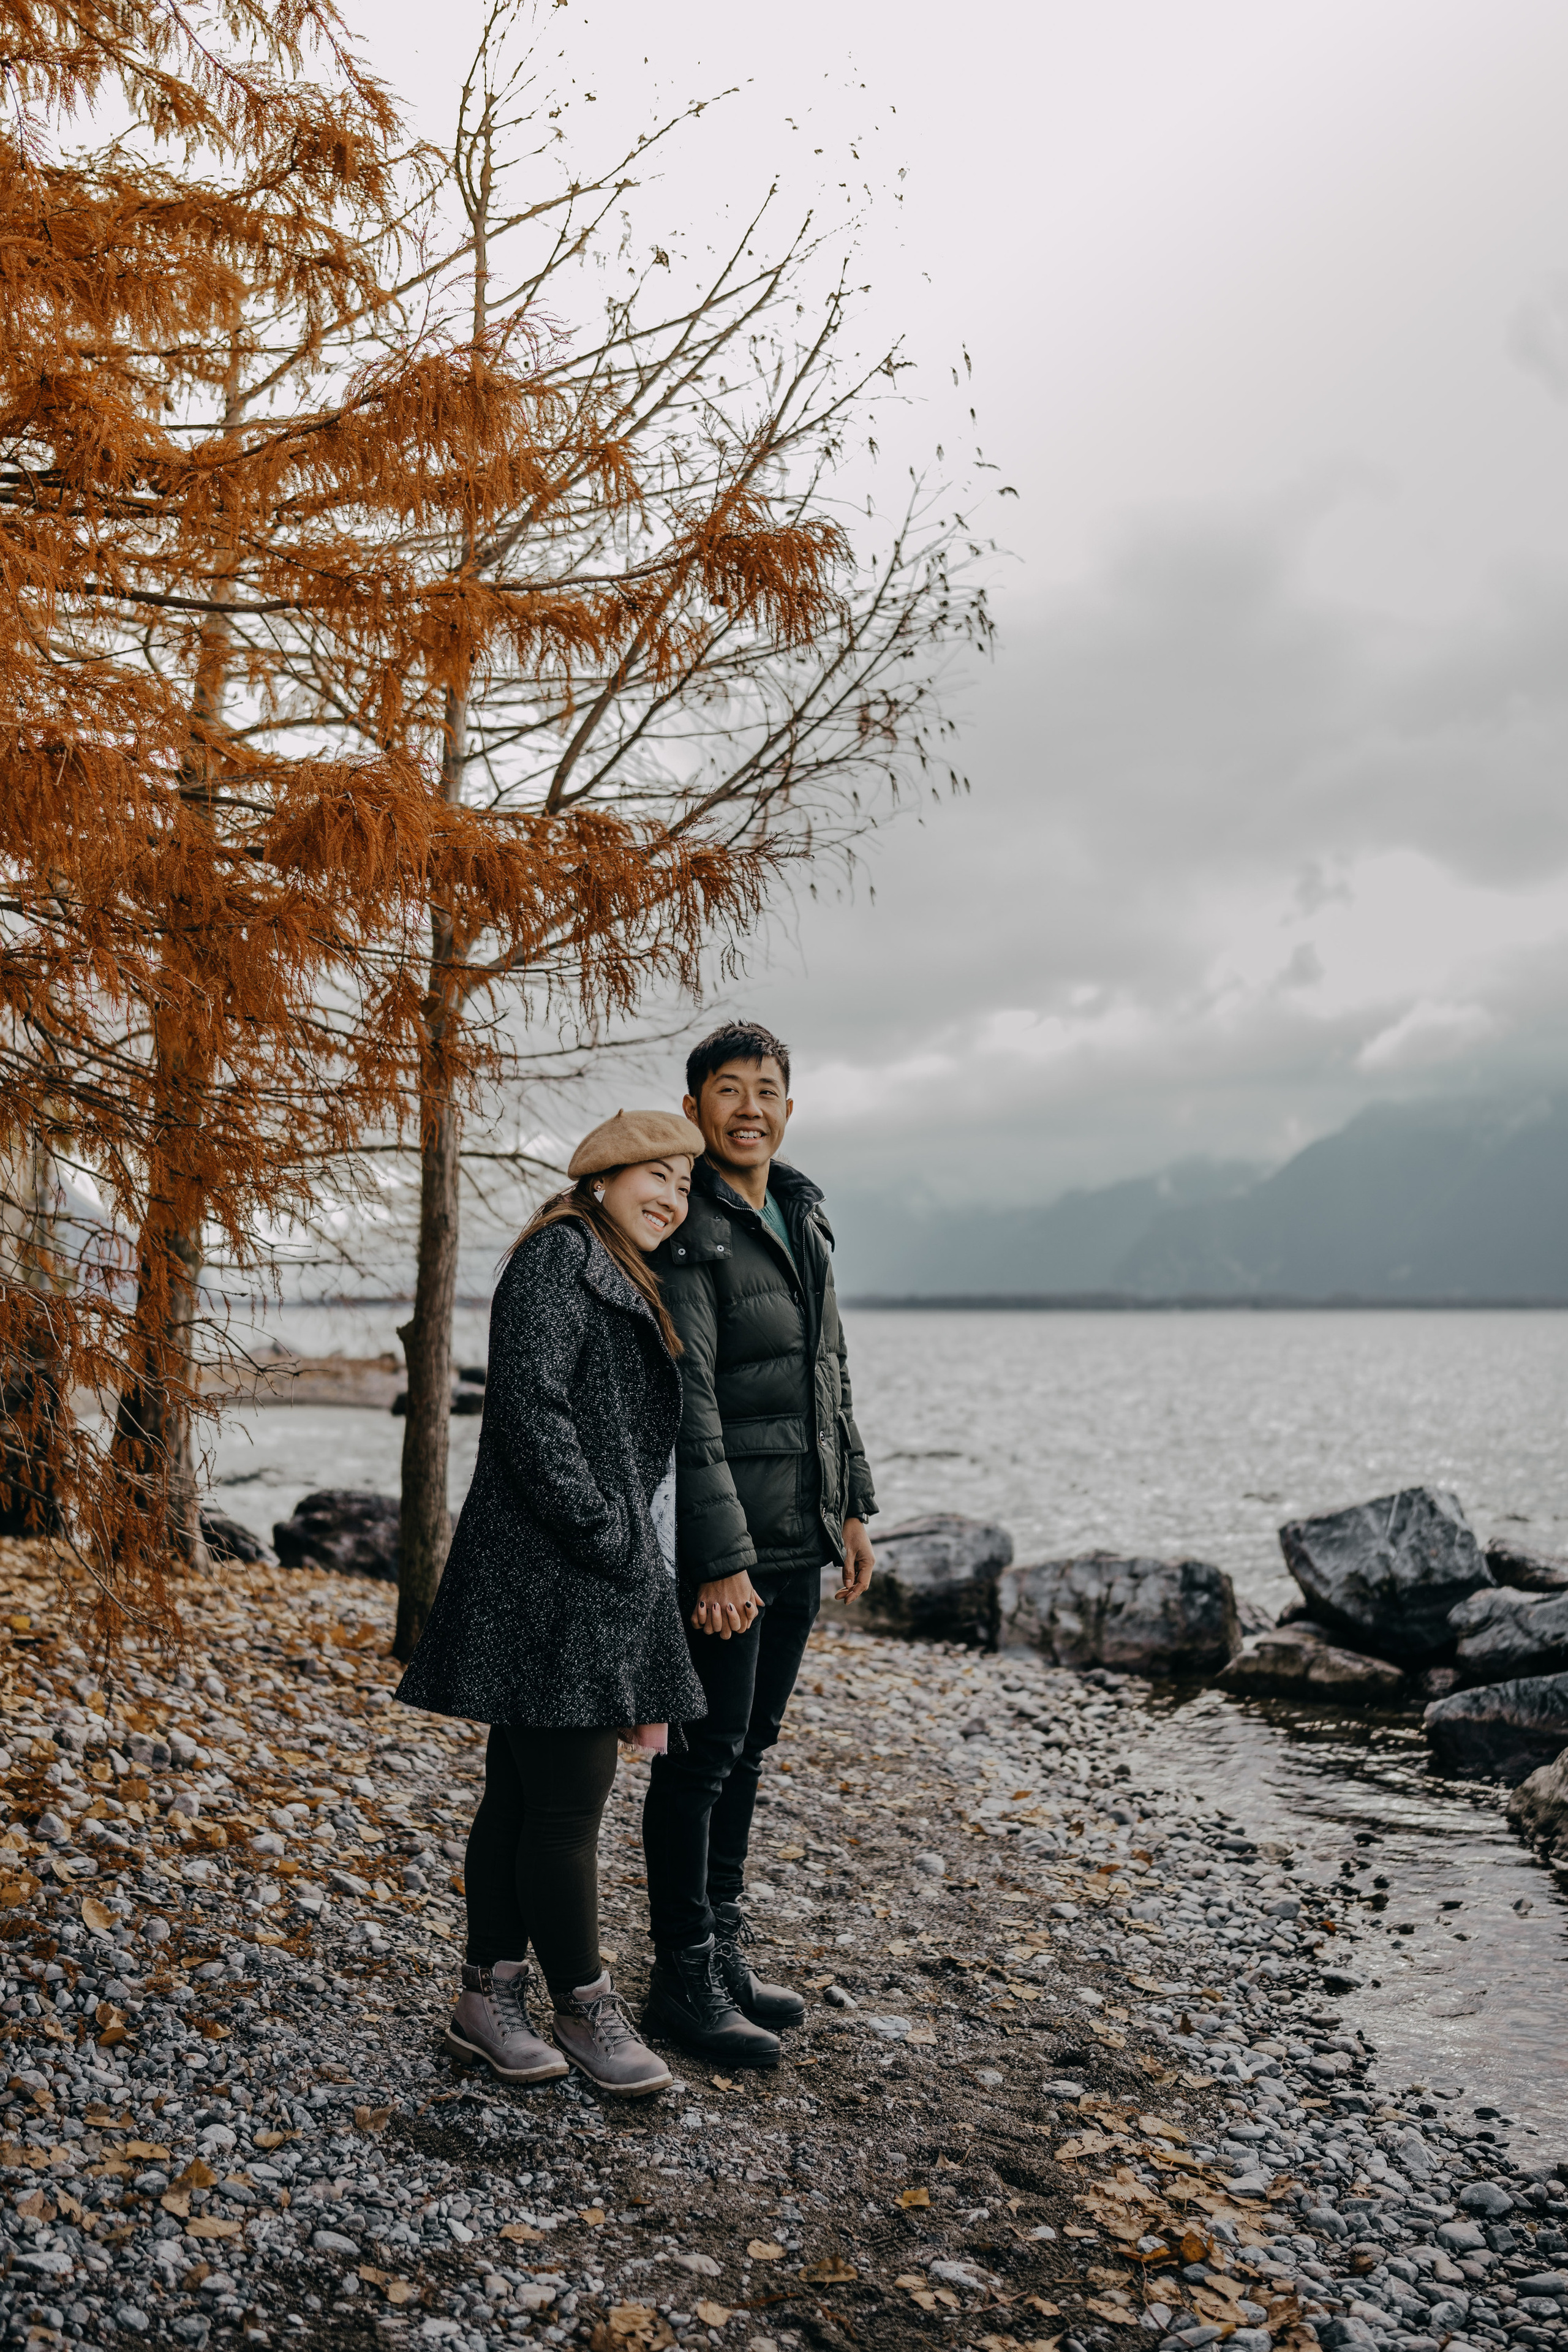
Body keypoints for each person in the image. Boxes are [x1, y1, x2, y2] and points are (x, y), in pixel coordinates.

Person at [395, 1109, 709, 2097]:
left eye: (684, 1183)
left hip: (564, 1575)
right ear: (604, 1180)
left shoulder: (604, 1262)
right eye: (653, 1175)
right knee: (570, 1808)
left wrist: (616, 1541)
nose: (671, 1195)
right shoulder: (560, 1259)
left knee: (523, 1797)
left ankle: (486, 2000)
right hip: (553, 1578)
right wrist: (607, 1533)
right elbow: (532, 1413)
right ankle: (584, 2006)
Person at [640, 1022, 877, 2066]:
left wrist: (854, 1506)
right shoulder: (690, 1224)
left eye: (766, 1089)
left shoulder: (802, 1214)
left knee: (750, 1748)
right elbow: (689, 1404)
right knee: (699, 1760)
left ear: (791, 1106)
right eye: (727, 1090)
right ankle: (680, 1977)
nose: (748, 1107)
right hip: (732, 1546)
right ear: (694, 1110)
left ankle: (723, 1950)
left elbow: (828, 1375)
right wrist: (718, 1560)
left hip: (798, 1535)